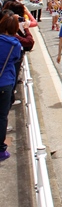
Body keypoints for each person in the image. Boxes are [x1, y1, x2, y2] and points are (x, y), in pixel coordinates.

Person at [0, 11, 22, 161]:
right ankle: (1, 150)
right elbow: (16, 59)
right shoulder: (14, 44)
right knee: (2, 116)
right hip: (5, 82)